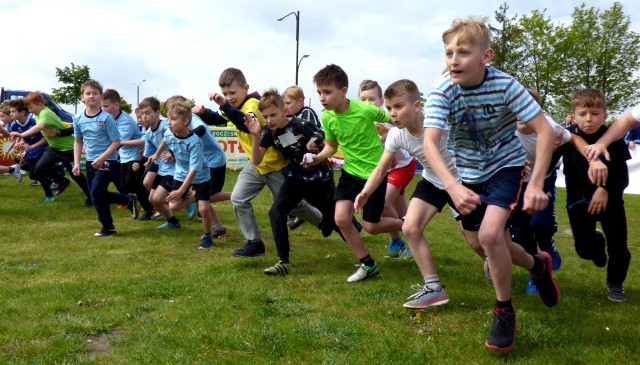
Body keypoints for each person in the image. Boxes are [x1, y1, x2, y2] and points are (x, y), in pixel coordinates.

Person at [421, 17, 560, 352]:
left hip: (506, 168)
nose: (454, 60)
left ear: (486, 55)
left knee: (489, 235)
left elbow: (545, 130)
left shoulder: (506, 85)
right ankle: (537, 264)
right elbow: (430, 143)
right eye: (449, 52)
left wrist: (537, 181)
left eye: (464, 52)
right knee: (488, 242)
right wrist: (453, 186)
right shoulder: (442, 92)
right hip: (467, 175)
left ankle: (503, 311)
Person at [194, 67, 322, 257]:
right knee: (238, 198)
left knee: (294, 205)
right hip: (255, 164)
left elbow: (245, 124)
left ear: (245, 87)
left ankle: (325, 221)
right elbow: (222, 118)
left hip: (274, 164)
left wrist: (224, 105)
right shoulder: (233, 107)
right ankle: (254, 242)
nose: (229, 97)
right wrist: (204, 113)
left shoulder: (252, 104)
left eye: (232, 93)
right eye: (225, 93)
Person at [306, 64, 404, 282]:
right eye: (319, 93)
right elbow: (330, 147)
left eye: (327, 92)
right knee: (340, 218)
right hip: (350, 173)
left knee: (371, 226)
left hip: (375, 173)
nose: (322, 97)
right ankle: (368, 264)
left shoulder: (365, 109)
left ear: (343, 90)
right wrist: (317, 158)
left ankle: (409, 224)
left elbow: (396, 118)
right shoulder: (327, 117)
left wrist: (405, 131)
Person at [510, 87, 607, 295]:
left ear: (534, 109)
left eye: (524, 107)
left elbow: (573, 138)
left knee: (541, 223)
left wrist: (594, 159)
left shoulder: (549, 126)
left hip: (542, 180)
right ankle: (535, 273)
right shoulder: (503, 127)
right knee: (520, 232)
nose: (518, 113)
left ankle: (548, 248)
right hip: (514, 184)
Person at [244, 88, 342, 275]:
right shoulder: (267, 133)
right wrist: (256, 135)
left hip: (319, 178)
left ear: (285, 111)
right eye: (265, 116)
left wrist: (315, 146)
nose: (270, 120)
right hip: (295, 178)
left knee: (335, 219)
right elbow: (256, 160)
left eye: (273, 115)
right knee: (276, 211)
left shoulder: (301, 124)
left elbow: (324, 139)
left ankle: (363, 255)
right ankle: (283, 262)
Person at [559, 88, 631, 302]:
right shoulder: (566, 138)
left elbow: (621, 176)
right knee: (584, 250)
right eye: (582, 114)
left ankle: (615, 283)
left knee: (619, 248)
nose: (588, 119)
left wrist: (605, 189)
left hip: (611, 202)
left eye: (595, 114)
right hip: (578, 203)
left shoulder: (614, 139)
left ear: (605, 115)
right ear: (573, 115)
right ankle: (596, 244)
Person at [159, 95, 230, 247]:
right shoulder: (174, 132)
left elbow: (201, 129)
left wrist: (187, 142)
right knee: (203, 199)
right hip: (198, 161)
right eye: (167, 116)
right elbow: (168, 139)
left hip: (212, 160)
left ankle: (236, 196)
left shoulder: (192, 121)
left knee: (207, 197)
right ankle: (218, 228)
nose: (169, 122)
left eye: (171, 117)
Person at [72, 80, 139, 237]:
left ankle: (107, 227)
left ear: (100, 97)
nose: (92, 96)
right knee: (96, 194)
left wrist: (102, 158)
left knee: (96, 193)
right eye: (88, 93)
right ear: (82, 97)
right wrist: (76, 163)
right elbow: (78, 141)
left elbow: (116, 143)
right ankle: (127, 200)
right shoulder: (78, 118)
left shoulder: (107, 118)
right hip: (90, 161)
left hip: (108, 160)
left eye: (95, 93)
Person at [358, 79, 416, 259]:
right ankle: (411, 239)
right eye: (363, 99)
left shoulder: (389, 119)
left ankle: (400, 239)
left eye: (372, 99)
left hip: (402, 166)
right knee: (401, 211)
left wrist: (386, 135)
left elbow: (406, 142)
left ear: (381, 102)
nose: (368, 104)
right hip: (384, 169)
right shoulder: (361, 122)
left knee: (382, 204)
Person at [10, 91, 91, 206]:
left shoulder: (45, 113)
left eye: (31, 107)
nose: (30, 110)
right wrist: (26, 146)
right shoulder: (37, 115)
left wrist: (22, 135)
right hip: (53, 148)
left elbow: (40, 127)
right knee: (38, 169)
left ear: (40, 104)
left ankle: (92, 198)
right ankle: (59, 184)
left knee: (76, 174)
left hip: (68, 149)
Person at [101, 89, 155, 220]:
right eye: (102, 106)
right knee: (124, 184)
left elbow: (116, 142)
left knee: (133, 184)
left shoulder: (125, 121)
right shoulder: (109, 118)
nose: (103, 109)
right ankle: (137, 201)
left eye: (106, 106)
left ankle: (150, 208)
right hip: (124, 156)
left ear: (116, 105)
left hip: (136, 156)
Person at [138, 96, 183, 230]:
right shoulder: (147, 132)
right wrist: (142, 162)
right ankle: (173, 221)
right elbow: (148, 154)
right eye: (142, 114)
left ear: (157, 112)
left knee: (157, 198)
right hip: (162, 167)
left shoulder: (167, 125)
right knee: (152, 199)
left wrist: (173, 153)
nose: (144, 117)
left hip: (175, 169)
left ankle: (187, 199)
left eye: (147, 113)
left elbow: (182, 138)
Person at [282, 85, 322, 231]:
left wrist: (284, 141)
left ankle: (352, 225)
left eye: (288, 103)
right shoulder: (289, 118)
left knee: (321, 196)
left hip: (314, 160)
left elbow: (308, 135)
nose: (285, 107)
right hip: (300, 161)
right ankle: (296, 215)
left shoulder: (307, 112)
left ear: (300, 101)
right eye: (284, 104)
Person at [7, 99, 51, 198]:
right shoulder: (14, 125)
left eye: (13, 111)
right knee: (32, 175)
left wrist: (29, 147)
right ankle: (52, 179)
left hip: (42, 147)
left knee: (39, 170)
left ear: (22, 113)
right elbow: (23, 137)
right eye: (10, 111)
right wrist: (22, 148)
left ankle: (50, 194)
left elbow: (46, 138)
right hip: (31, 150)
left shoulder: (34, 121)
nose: (10, 114)